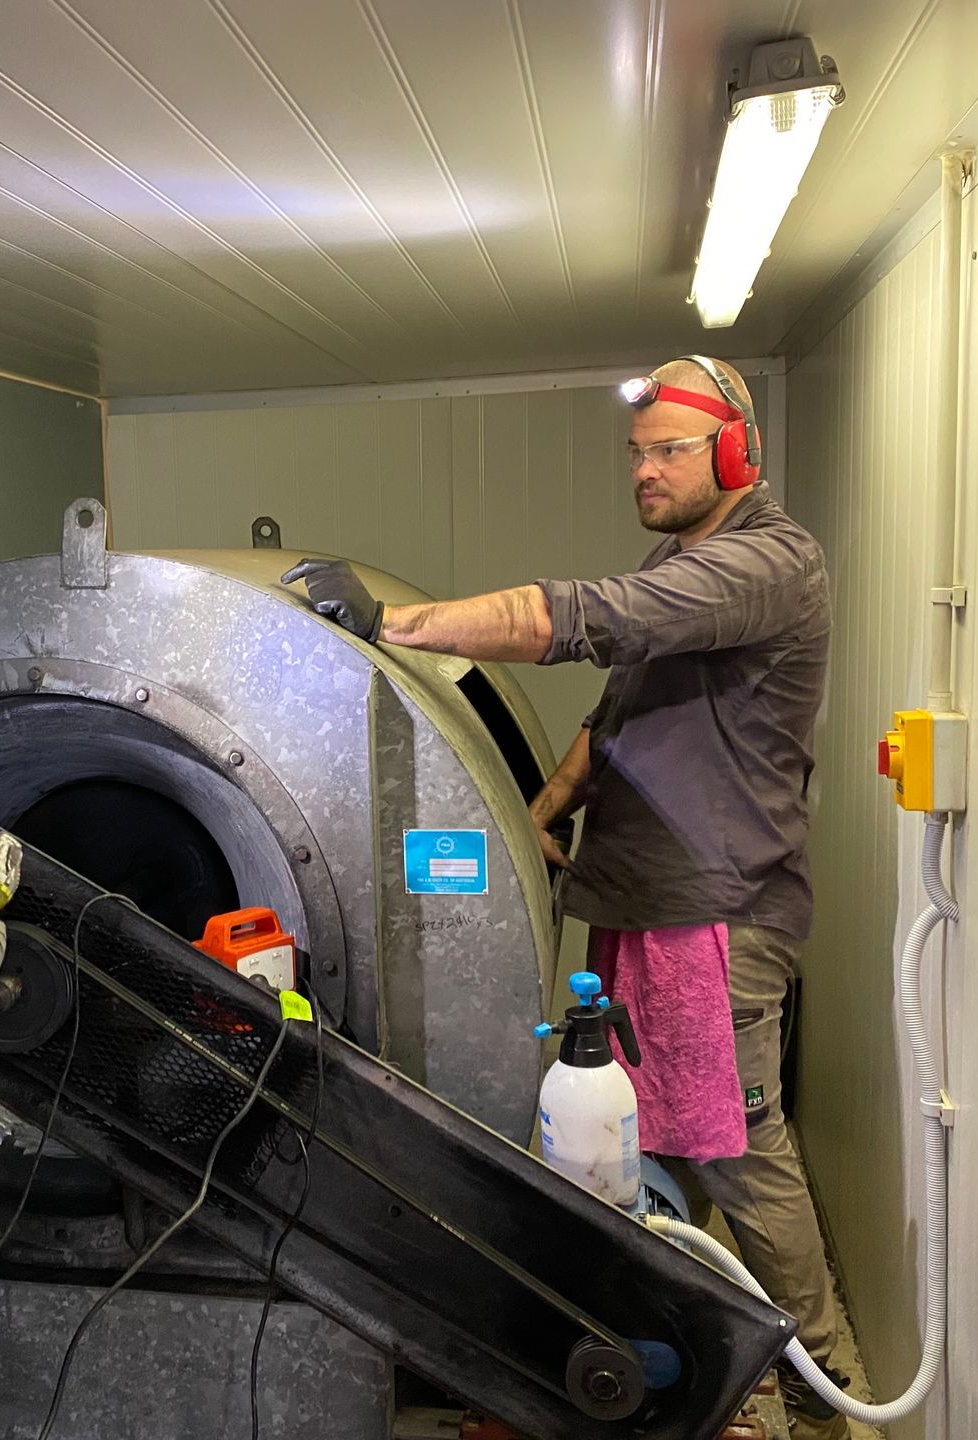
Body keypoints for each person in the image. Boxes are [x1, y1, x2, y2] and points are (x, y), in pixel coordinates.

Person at [284, 355, 849, 1440]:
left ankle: (822, 1392)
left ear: (738, 452)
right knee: (646, 1139)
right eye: (636, 453)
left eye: (668, 450)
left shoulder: (768, 563)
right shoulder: (686, 559)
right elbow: (613, 718)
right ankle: (704, 1354)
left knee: (734, 1147)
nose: (644, 471)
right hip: (647, 903)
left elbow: (588, 620)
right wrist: (536, 815)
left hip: (715, 915)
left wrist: (394, 622)